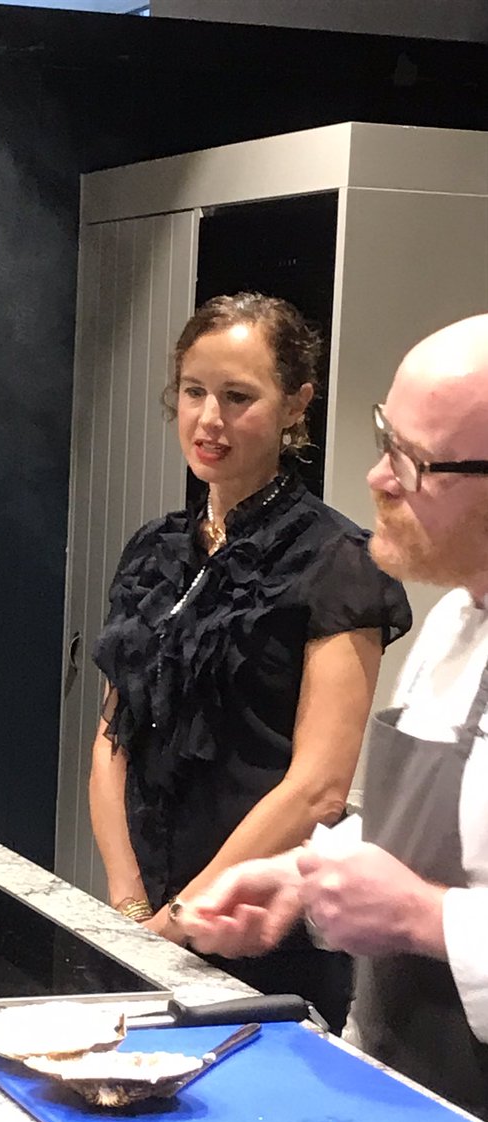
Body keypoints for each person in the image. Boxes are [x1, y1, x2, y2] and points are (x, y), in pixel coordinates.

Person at [174, 312, 488, 1117]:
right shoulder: (456, 623)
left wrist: (426, 919)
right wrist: (303, 875)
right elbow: (409, 831)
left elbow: (429, 896)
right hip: (400, 1095)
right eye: (388, 439)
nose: (378, 479)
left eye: (412, 462)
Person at [90, 292, 412, 1031]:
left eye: (239, 397)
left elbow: (319, 787)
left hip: (260, 929)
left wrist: (184, 916)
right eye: (194, 392)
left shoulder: (339, 563)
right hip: (141, 921)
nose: (210, 420)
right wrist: (131, 904)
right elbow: (113, 740)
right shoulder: (154, 549)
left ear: (296, 404)